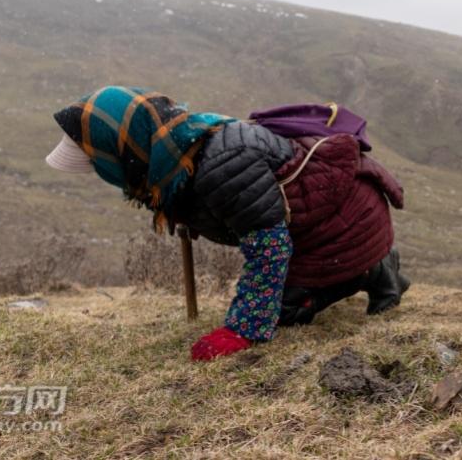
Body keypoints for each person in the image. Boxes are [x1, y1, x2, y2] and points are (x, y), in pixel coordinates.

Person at [44, 86, 409, 361]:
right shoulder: (180, 147)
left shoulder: (220, 166)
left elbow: (270, 247)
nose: (98, 170)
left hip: (346, 224)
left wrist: (243, 329)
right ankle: (370, 266)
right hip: (322, 216)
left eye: (96, 160)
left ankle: (374, 269)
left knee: (284, 313)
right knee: (275, 300)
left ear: (123, 148)